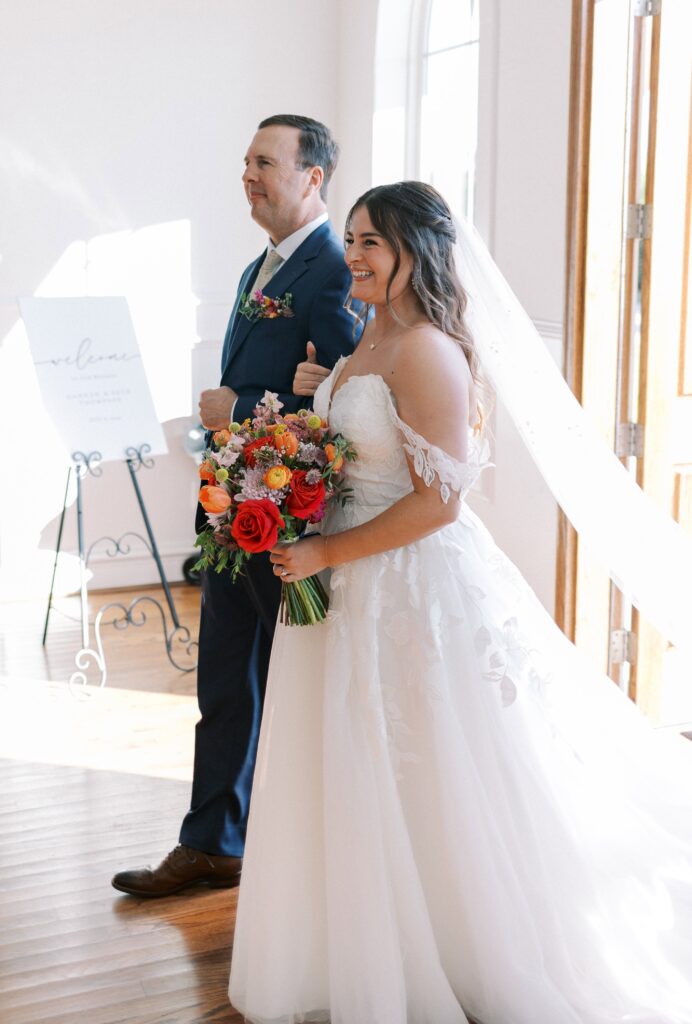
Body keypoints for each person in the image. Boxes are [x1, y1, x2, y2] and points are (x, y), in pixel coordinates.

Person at [228, 181, 692, 1023]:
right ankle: (356, 946)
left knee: (423, 762)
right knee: (347, 762)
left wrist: (325, 547)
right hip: (336, 584)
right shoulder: (368, 341)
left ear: (418, 254)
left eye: (374, 242)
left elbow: (442, 500)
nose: (356, 256)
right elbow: (353, 456)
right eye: (356, 238)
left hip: (404, 587)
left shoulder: (427, 349)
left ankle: (455, 948)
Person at [111, 115, 357, 898]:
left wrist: (239, 405)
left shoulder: (332, 270)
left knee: (292, 688)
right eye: (246, 161)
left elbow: (347, 397)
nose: (247, 174)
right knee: (224, 683)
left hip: (289, 522)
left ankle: (299, 853)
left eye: (265, 162)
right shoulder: (264, 264)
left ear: (312, 176)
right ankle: (212, 842)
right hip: (234, 514)